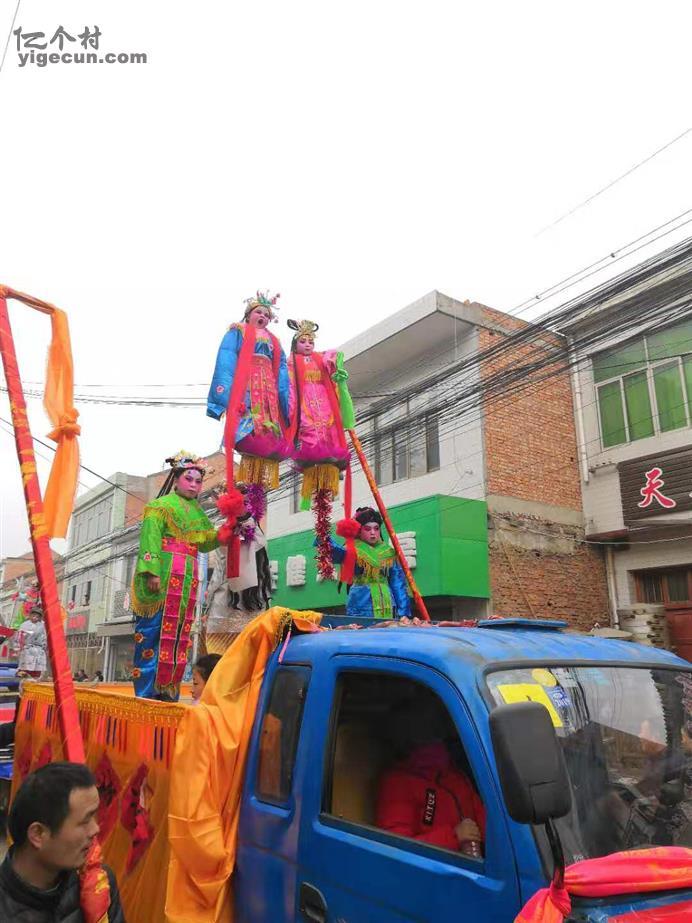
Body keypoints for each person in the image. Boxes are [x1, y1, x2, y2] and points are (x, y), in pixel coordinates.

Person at [130, 451, 221, 702]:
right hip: (163, 578)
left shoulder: (198, 512)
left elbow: (207, 542)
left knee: (180, 636)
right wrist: (152, 571)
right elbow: (150, 538)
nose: (193, 485)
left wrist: (229, 528)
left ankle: (169, 690)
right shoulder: (159, 506)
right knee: (154, 633)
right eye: (188, 479)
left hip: (187, 582)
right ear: (176, 478)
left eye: (198, 481)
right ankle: (147, 692)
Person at [0, 761, 125, 921]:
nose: (96, 829)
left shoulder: (98, 884)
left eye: (94, 816)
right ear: (38, 834)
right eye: (85, 821)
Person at [376, 698, 485, 857]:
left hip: (472, 862)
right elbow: (396, 849)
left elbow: (485, 820)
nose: (439, 737)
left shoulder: (452, 772)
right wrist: (454, 836)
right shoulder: (398, 783)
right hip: (437, 867)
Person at [287, 318, 352, 580]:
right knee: (309, 433)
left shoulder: (318, 359)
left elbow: (333, 359)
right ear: (295, 344)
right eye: (302, 341)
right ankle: (323, 545)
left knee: (327, 432)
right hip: (304, 405)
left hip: (324, 404)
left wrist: (334, 364)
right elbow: (287, 387)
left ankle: (330, 472)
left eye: (310, 341)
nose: (307, 345)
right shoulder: (291, 363)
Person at [207, 291, 291, 491]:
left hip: (268, 388)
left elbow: (282, 370)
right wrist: (224, 398)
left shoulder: (274, 340)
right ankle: (249, 473)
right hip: (246, 384)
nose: (263, 316)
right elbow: (226, 360)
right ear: (248, 314)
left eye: (267, 315)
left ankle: (259, 478)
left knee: (267, 426)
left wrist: (287, 403)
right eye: (258, 312)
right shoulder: (238, 331)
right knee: (248, 420)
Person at [205, 485, 273, 653]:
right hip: (227, 603)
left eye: (247, 501)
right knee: (220, 657)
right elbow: (221, 565)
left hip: (251, 602)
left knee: (250, 657)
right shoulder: (223, 530)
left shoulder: (255, 531)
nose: (244, 505)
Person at [327, 507, 411, 619]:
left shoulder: (389, 552)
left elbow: (397, 583)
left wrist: (403, 612)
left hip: (387, 603)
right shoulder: (352, 549)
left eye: (376, 529)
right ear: (359, 531)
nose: (373, 533)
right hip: (361, 603)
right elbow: (337, 554)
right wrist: (324, 539)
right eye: (367, 529)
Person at [14, 605, 47, 678]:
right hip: (27, 649)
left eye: (37, 617)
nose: (35, 618)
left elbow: (45, 637)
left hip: (38, 650)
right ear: (30, 615)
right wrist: (17, 648)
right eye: (33, 616)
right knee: (25, 667)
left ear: (40, 617)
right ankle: (24, 680)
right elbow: (19, 637)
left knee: (37, 668)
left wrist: (44, 647)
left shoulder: (42, 625)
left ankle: (35, 680)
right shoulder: (24, 625)